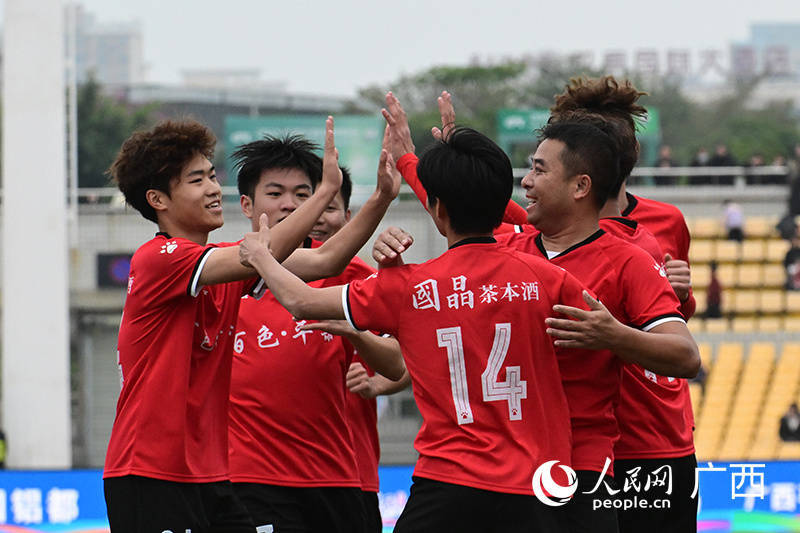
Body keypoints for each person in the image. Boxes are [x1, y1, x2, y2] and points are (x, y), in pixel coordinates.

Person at [240, 126, 598, 533]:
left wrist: (260, 257)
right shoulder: (549, 279)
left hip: (448, 481)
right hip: (537, 482)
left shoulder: (410, 285)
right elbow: (606, 337)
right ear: (504, 202)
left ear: (437, 209)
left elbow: (300, 301)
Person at [102, 118, 343, 533]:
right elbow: (262, 254)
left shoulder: (221, 265)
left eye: (213, 176)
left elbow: (324, 260)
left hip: (210, 475)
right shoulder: (159, 258)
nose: (214, 188)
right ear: (157, 199)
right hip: (150, 471)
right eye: (197, 180)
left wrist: (383, 195)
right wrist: (323, 192)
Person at [226, 134, 404, 533]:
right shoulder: (225, 269)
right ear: (247, 205)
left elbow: (398, 365)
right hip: (251, 478)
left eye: (303, 195)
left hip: (338, 478)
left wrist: (357, 336)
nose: (290, 205)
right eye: (275, 193)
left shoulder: (350, 275)